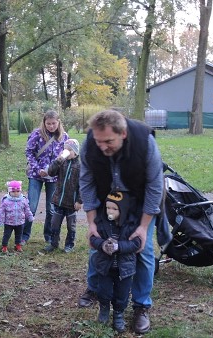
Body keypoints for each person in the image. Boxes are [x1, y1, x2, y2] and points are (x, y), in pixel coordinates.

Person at [78, 109, 164, 334]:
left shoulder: (145, 142)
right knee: (97, 246)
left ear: (123, 134)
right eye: (99, 141)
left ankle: (141, 306)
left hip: (138, 205)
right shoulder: (90, 144)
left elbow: (155, 187)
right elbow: (86, 183)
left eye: (108, 141)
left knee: (142, 252)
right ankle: (94, 289)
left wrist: (144, 227)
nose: (102, 146)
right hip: (107, 204)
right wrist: (91, 223)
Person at [90, 191, 141, 333]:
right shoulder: (101, 222)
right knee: (103, 291)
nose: (109, 211)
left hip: (124, 269)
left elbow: (136, 244)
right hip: (105, 267)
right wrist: (102, 244)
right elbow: (93, 239)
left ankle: (118, 314)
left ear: (123, 209)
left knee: (122, 293)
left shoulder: (131, 225)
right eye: (107, 208)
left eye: (114, 209)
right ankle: (104, 309)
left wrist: (119, 247)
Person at [22, 110, 69, 246]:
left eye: (53, 123)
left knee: (51, 208)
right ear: (44, 123)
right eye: (48, 123)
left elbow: (66, 154)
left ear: (58, 122)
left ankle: (49, 236)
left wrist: (57, 168)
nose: (51, 126)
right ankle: (24, 235)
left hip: (53, 177)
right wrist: (38, 169)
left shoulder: (64, 137)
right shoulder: (37, 134)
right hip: (36, 175)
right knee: (31, 205)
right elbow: (29, 152)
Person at [41, 138, 82, 253]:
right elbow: (51, 172)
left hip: (71, 203)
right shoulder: (61, 162)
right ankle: (53, 243)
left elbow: (83, 186)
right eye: (65, 149)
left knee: (71, 226)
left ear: (76, 152)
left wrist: (79, 200)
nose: (67, 151)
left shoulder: (80, 167)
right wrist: (58, 160)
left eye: (70, 150)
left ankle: (69, 244)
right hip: (58, 200)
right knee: (55, 224)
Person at [0, 180, 34, 253]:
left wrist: (29, 216)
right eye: (13, 191)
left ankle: (18, 245)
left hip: (20, 222)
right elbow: (1, 211)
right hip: (9, 222)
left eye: (18, 191)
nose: (15, 193)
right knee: (6, 235)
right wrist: (0, 220)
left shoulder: (23, 200)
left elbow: (27, 209)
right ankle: (4, 246)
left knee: (19, 235)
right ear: (9, 191)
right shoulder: (6, 201)